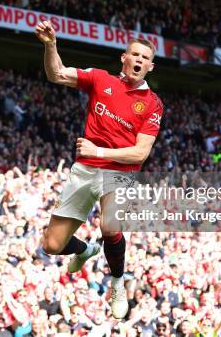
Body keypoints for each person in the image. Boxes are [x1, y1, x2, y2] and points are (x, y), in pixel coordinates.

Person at [34, 20, 163, 319]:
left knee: (109, 226)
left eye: (145, 58)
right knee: (52, 245)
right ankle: (84, 250)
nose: (139, 60)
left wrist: (99, 151)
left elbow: (140, 153)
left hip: (119, 172)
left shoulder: (153, 104)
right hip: (84, 170)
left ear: (150, 67)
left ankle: (116, 283)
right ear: (124, 58)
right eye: (135, 55)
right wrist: (50, 44)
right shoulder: (99, 79)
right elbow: (56, 74)